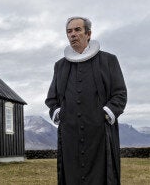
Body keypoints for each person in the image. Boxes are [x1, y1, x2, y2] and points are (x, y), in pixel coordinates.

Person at [45, 17, 127, 184]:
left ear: (88, 34)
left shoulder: (108, 60)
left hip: (100, 134)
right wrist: (59, 113)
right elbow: (52, 99)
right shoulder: (60, 66)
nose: (73, 34)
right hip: (70, 135)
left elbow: (120, 94)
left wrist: (105, 114)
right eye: (69, 31)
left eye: (77, 30)